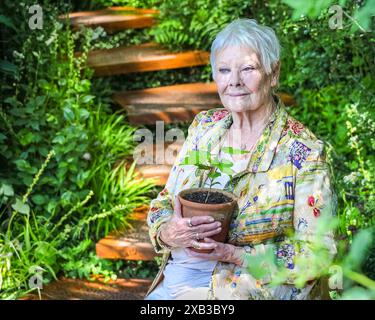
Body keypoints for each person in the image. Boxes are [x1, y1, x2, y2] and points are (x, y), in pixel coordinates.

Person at [145, 18, 336, 300]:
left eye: (247, 69)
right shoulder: (204, 128)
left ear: (273, 73)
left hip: (248, 287)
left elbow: (319, 253)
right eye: (224, 70)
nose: (234, 81)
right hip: (178, 277)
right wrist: (168, 233)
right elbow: (163, 202)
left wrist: (234, 254)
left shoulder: (304, 152)